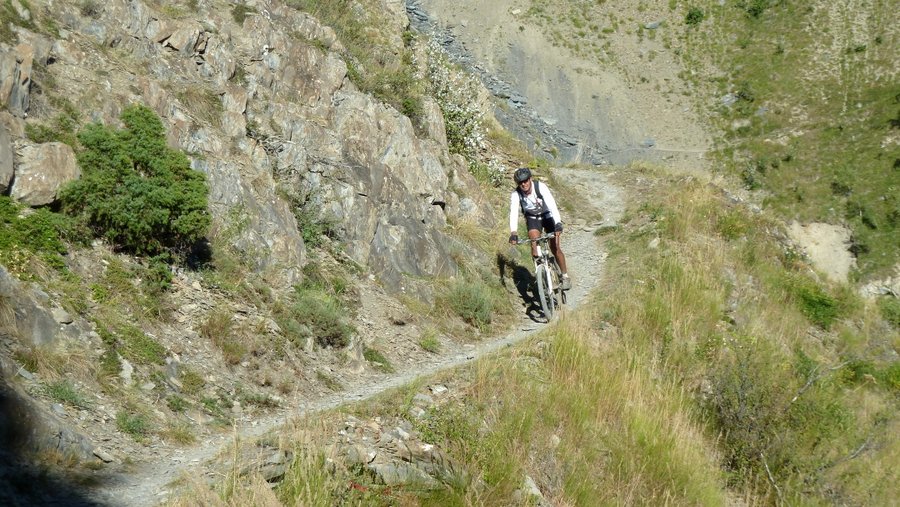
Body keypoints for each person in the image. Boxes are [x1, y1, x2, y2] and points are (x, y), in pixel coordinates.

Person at [508, 167, 571, 290]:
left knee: (555, 247)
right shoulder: (516, 195)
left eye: (525, 181)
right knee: (534, 244)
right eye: (520, 182)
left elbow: (552, 205)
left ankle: (565, 276)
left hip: (548, 216)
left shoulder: (540, 187)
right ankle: (540, 275)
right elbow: (513, 213)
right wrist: (513, 232)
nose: (524, 184)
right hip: (532, 218)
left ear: (530, 179)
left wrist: (558, 223)